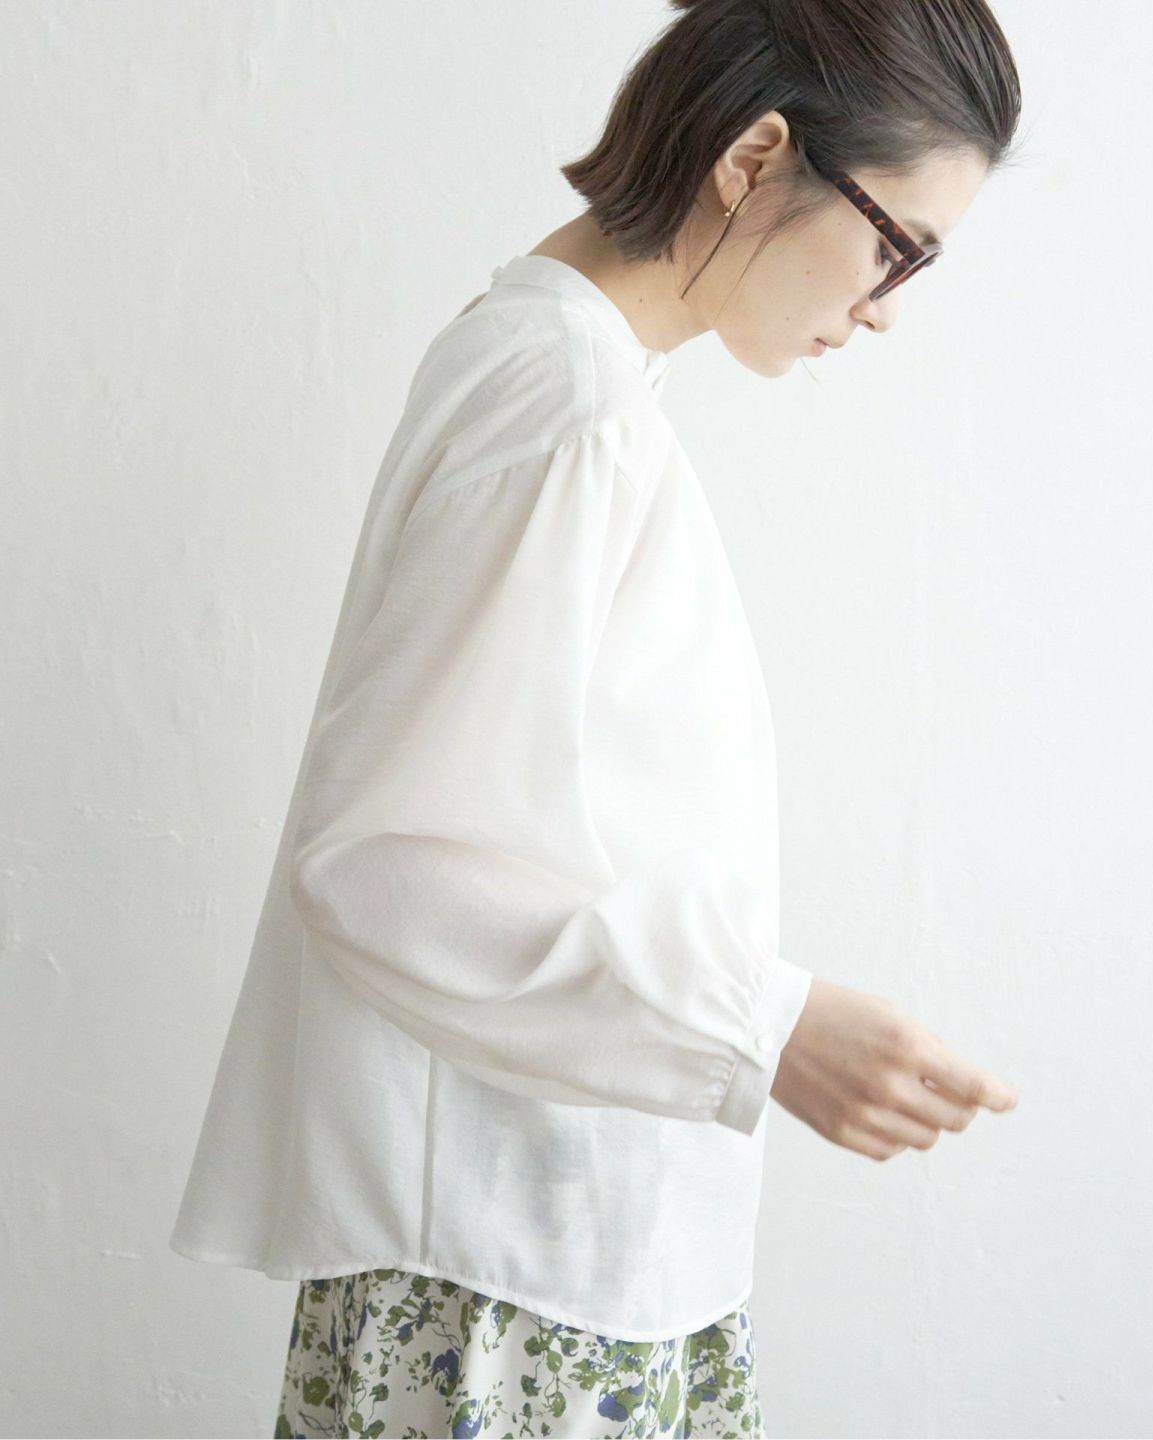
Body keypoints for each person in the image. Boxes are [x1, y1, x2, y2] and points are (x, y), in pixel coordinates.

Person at [170, 1, 1025, 1435]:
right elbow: (385, 865)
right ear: (755, 157)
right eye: (899, 247)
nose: (886, 308)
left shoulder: (574, 381)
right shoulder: (562, 405)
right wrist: (769, 1026)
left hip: (556, 1259)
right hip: (508, 1295)